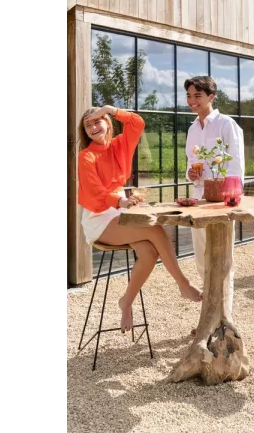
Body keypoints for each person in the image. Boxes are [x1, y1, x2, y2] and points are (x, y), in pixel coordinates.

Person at [77, 104, 202, 334]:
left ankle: (126, 301)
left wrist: (109, 109)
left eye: (97, 121)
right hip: (99, 217)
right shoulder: (86, 156)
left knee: (149, 253)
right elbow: (95, 192)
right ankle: (183, 284)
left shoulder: (119, 144)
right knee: (153, 229)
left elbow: (137, 123)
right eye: (88, 125)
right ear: (84, 132)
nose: (94, 127)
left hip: (118, 212)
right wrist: (120, 201)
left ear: (108, 123)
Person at [185, 76, 245, 315]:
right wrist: (191, 173)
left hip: (221, 200)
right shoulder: (191, 128)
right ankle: (210, 315)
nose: (192, 101)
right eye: (189, 96)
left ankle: (224, 317)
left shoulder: (226, 124)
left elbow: (237, 165)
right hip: (199, 198)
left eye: (197, 96)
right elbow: (192, 163)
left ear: (211, 97)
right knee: (201, 257)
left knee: (221, 259)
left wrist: (230, 199)